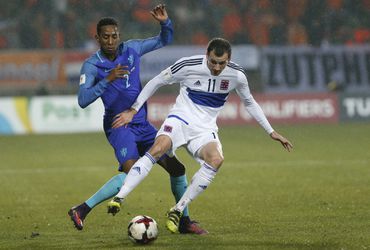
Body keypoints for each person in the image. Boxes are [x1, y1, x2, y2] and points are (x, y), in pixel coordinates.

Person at [106, 37, 293, 233]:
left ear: (229, 60)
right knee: (158, 148)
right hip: (179, 120)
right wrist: (134, 110)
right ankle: (120, 197)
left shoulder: (237, 75)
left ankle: (177, 210)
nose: (217, 67)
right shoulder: (188, 65)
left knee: (216, 159)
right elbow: (156, 81)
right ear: (207, 55)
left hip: (204, 129)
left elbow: (249, 102)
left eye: (222, 63)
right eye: (213, 61)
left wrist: (271, 131)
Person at [68, 4, 207, 235]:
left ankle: (184, 220)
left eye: (114, 36)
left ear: (118, 36)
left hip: (142, 124)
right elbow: (83, 100)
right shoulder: (92, 65)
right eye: (105, 37)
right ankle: (82, 209)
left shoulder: (132, 49)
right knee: (131, 172)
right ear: (97, 38)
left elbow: (164, 40)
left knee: (177, 169)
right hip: (118, 125)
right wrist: (107, 80)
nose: (111, 41)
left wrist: (165, 23)